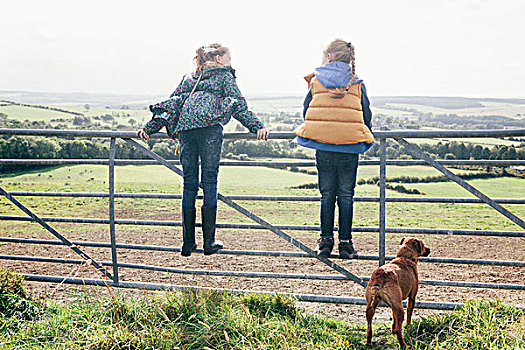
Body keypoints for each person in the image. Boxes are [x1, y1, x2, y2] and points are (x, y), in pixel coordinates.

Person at [137, 43, 269, 257]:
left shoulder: (189, 77)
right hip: (209, 131)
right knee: (209, 182)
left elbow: (172, 104)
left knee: (189, 184)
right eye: (228, 58)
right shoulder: (224, 76)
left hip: (187, 132)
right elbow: (239, 105)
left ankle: (187, 243)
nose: (230, 62)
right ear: (218, 59)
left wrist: (150, 128)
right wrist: (257, 127)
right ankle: (209, 242)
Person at [294, 39, 374, 259]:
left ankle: (325, 243)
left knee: (327, 195)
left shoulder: (316, 81)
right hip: (349, 147)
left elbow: (307, 111)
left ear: (329, 57)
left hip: (324, 146)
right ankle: (346, 245)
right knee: (346, 196)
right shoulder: (356, 82)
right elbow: (366, 115)